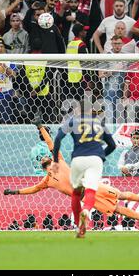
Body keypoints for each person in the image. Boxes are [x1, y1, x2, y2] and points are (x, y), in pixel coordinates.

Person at [4, 125, 139, 231]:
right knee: (118, 209)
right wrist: (14, 192)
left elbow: (50, 142)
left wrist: (40, 127)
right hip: (87, 197)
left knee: (121, 195)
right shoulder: (47, 181)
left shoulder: (58, 160)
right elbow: (32, 189)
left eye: (46, 156)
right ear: (41, 165)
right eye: (42, 159)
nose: (44, 157)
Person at [52, 98, 117, 238]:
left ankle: (78, 226)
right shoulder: (100, 122)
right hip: (95, 160)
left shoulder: (73, 121)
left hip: (78, 159)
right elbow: (113, 145)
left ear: (78, 110)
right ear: (90, 110)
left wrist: (56, 160)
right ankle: (87, 210)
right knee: (90, 190)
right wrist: (101, 156)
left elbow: (57, 138)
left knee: (76, 193)